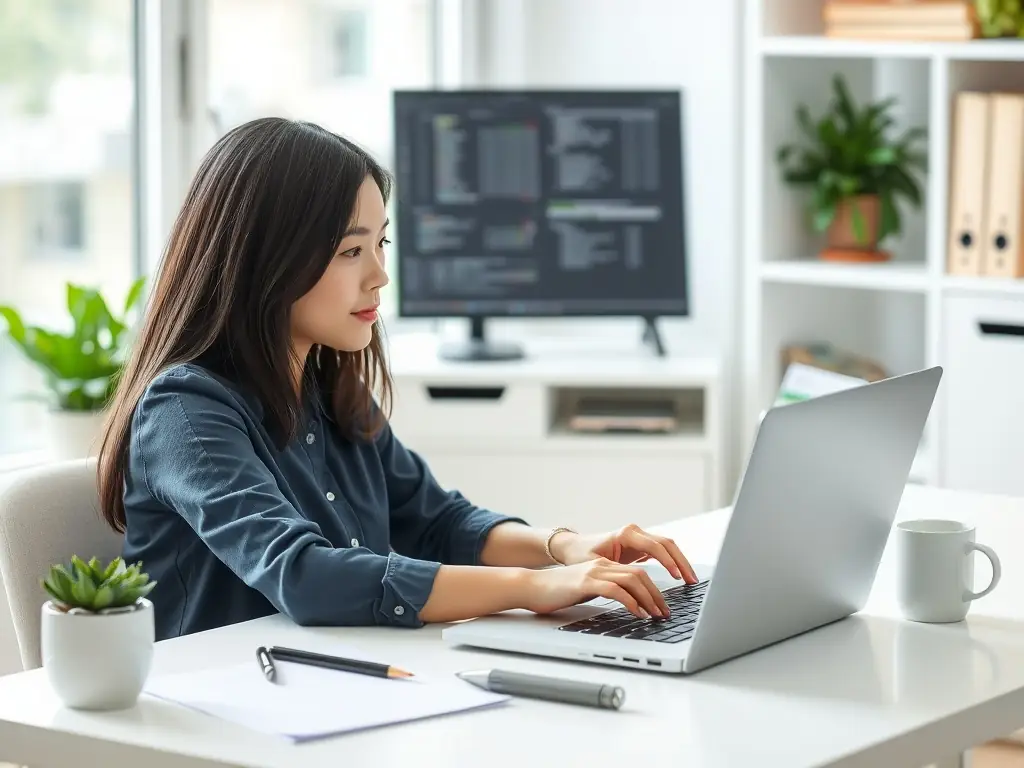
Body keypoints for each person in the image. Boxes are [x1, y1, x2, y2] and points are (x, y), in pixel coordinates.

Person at [96, 117, 698, 642]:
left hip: (332, 681)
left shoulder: (328, 390)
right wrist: (534, 587)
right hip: (214, 713)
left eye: (381, 243)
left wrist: (563, 548)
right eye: (350, 251)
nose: (381, 275)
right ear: (265, 259)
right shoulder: (186, 410)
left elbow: (438, 521)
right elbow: (303, 576)